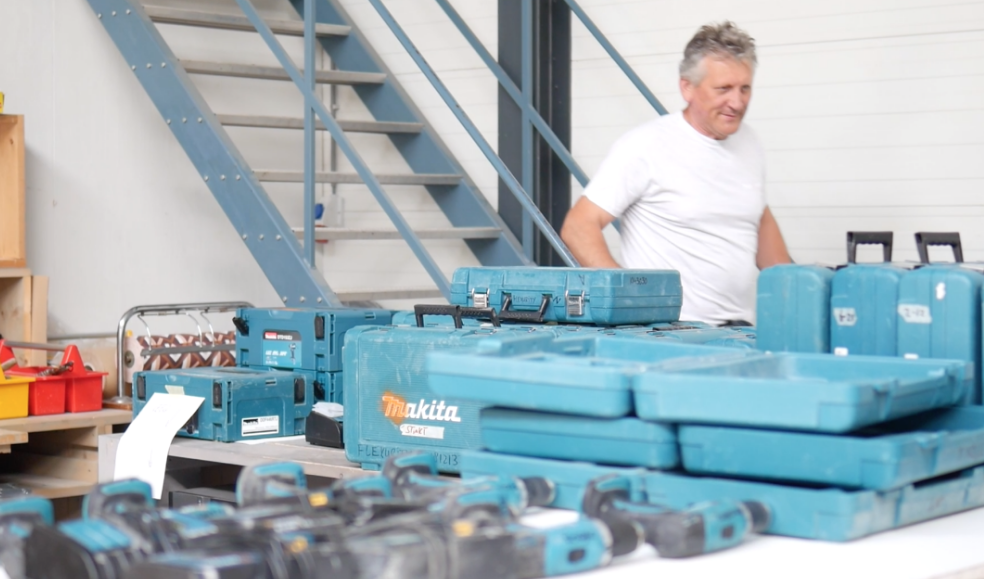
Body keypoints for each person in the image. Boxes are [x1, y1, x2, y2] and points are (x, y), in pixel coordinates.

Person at [560, 21, 791, 325]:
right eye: (723, 89)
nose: (737, 102)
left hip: (739, 332)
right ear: (687, 87)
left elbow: (758, 220)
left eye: (744, 88)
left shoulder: (749, 143)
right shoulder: (646, 146)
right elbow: (578, 226)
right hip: (673, 332)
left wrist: (801, 290)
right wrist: (628, 300)